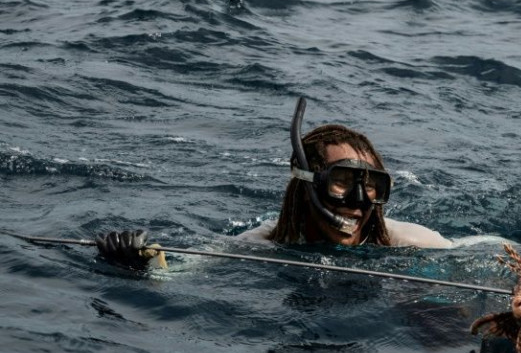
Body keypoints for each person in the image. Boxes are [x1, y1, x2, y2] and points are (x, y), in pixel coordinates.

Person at [96, 98, 452, 269]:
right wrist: (140, 261)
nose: (358, 201)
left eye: (372, 185)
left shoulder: (407, 241)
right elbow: (179, 276)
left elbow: (486, 251)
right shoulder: (259, 244)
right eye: (342, 182)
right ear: (307, 183)